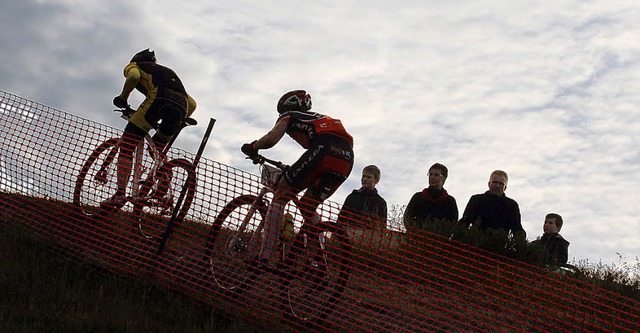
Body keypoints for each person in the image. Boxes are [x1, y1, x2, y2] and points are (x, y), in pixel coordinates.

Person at [241, 90, 354, 268]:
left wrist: (253, 147)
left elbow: (271, 138)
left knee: (281, 195)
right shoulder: (322, 119)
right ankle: (318, 263)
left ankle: (263, 258)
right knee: (308, 208)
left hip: (323, 150)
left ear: (287, 106)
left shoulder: (289, 115)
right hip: (347, 159)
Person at [101, 49, 197, 208]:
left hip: (158, 101)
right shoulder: (167, 72)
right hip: (181, 108)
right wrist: (179, 121)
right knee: (156, 150)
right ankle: (162, 188)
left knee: (127, 146)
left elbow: (133, 77)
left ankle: (119, 195)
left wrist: (122, 98)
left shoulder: (135, 65)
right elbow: (192, 104)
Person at [459, 170, 526, 239]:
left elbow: (517, 228)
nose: (497, 186)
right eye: (495, 182)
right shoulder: (476, 200)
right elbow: (465, 222)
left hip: (498, 245)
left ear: (505, 187)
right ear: (489, 184)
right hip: (475, 242)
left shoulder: (511, 206)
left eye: (501, 183)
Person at [403, 163, 458, 232]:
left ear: (444, 178)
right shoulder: (418, 197)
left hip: (440, 240)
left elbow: (452, 224)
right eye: (430, 174)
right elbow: (407, 219)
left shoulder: (450, 201)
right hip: (415, 238)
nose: (432, 177)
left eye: (436, 175)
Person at [336, 165, 388, 230]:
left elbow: (382, 227)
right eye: (363, 176)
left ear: (376, 180)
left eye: (369, 177)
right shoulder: (352, 197)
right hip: (347, 234)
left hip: (368, 237)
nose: (365, 179)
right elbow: (341, 218)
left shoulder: (380, 203)